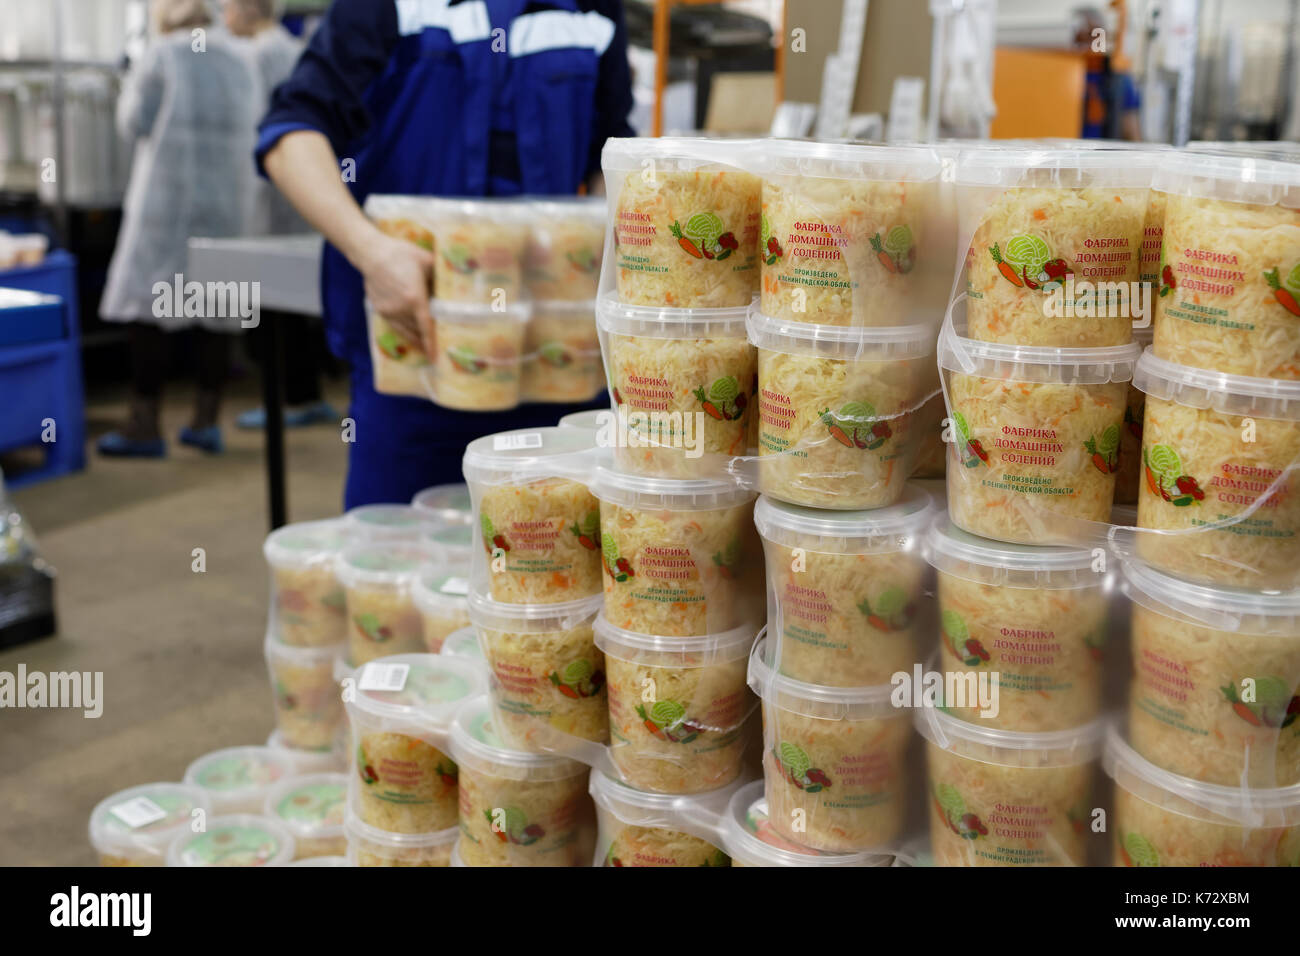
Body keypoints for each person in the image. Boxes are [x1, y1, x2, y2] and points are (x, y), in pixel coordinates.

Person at [256, 0, 634, 508]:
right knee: (399, 563)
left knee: (554, 562)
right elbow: (292, 131)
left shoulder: (593, 8)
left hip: (559, 364)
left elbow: (609, 151)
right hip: (417, 359)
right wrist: (372, 252)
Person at [97, 0, 262, 458]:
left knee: (147, 306)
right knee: (217, 305)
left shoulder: (164, 53)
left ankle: (145, 424)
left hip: (166, 204)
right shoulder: (242, 57)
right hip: (227, 204)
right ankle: (206, 424)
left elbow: (134, 122)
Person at [223, 0, 340, 431]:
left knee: (271, 304)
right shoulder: (293, 49)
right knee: (295, 300)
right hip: (299, 196)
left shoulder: (258, 54)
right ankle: (305, 395)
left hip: (271, 193)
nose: (223, 15)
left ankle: (290, 400)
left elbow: (256, 128)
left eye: (228, 7)